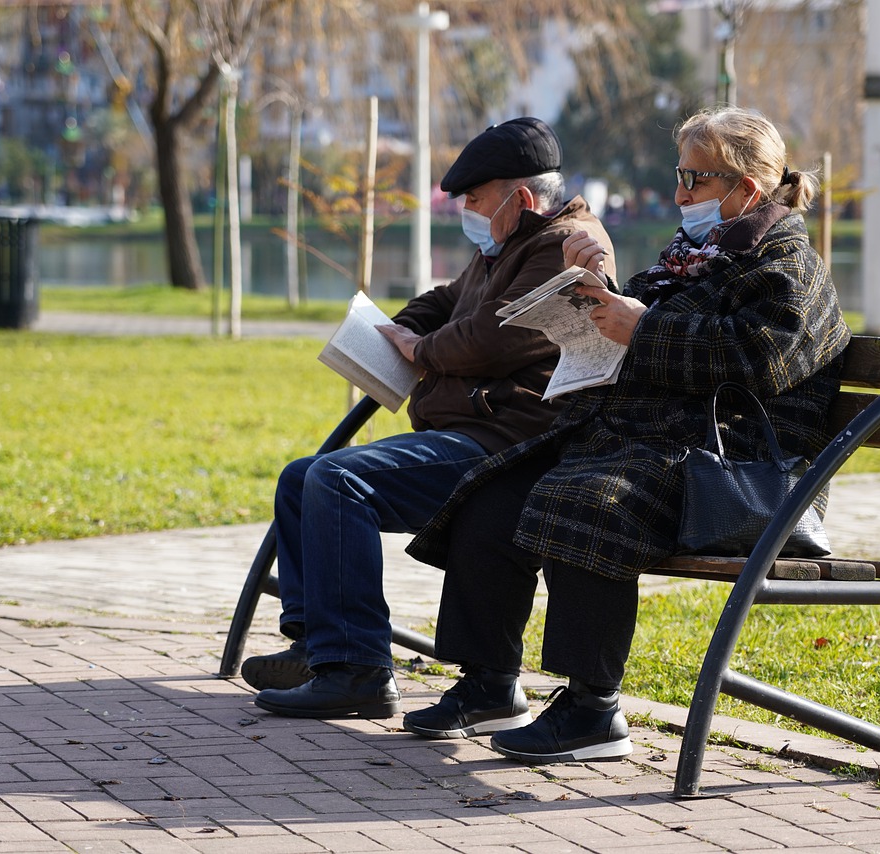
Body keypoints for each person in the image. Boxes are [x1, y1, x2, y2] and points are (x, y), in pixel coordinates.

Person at [400, 106, 852, 762]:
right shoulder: (690, 255)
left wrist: (640, 328)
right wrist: (590, 293)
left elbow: (762, 358)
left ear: (746, 190)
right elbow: (630, 321)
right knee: (492, 493)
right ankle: (488, 681)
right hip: (654, 443)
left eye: (696, 180)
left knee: (584, 499)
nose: (680, 195)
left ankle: (593, 709)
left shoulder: (787, 261)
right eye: (680, 175)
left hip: (729, 465)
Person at [246, 117, 617, 720]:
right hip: (469, 430)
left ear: (519, 198)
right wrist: (402, 327)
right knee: (300, 476)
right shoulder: (506, 243)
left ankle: (357, 669)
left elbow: (500, 335)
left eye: (474, 199)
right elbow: (447, 301)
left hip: (506, 440)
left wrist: (423, 351)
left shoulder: (563, 246)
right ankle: (319, 644)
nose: (466, 212)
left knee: (340, 480)